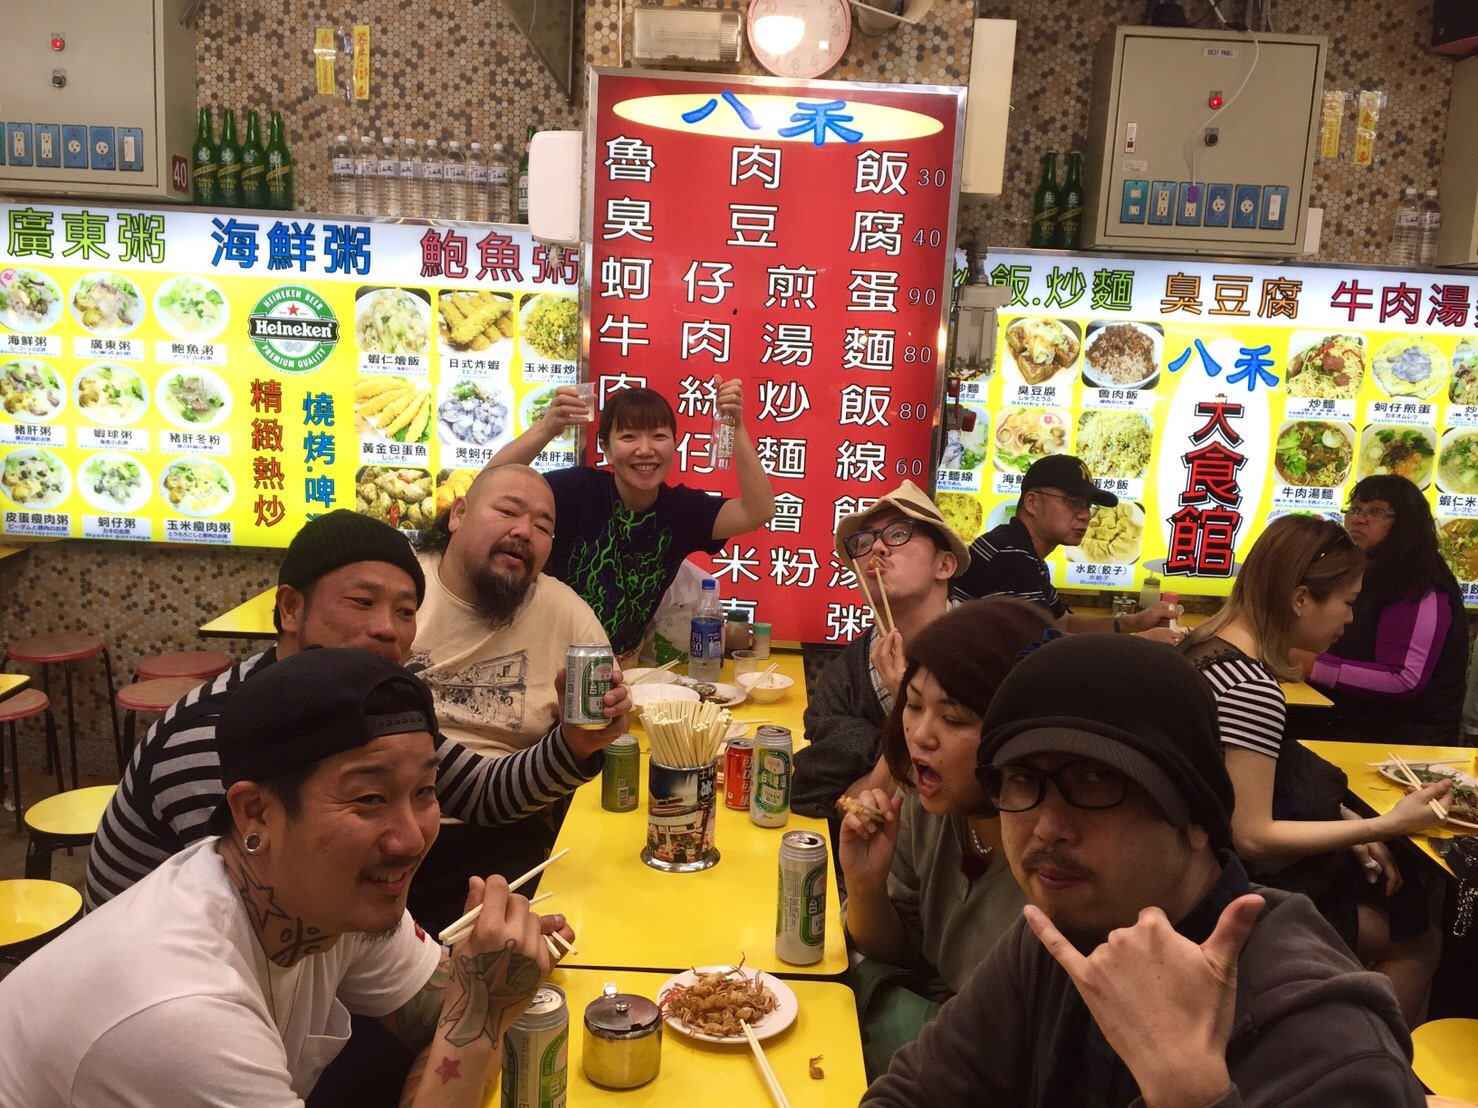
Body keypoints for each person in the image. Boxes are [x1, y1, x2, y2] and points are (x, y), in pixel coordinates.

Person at [864, 634, 1427, 1106]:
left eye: (1098, 780)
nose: (1047, 827)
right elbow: (911, 1095)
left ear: (1198, 818)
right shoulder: (1061, 937)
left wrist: (1193, 1099)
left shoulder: (1325, 1040)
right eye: (1022, 779)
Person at [0, 648, 571, 1107]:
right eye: (369, 798)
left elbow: (440, 1015)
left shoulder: (328, 897)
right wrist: (482, 1013)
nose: (411, 838)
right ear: (255, 814)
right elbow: (464, 1018)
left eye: (424, 791)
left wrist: (481, 993)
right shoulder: (182, 1015)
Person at [85, 508, 628, 913]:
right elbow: (248, 921)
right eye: (362, 603)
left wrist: (574, 744)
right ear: (291, 608)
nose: (387, 628)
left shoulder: (369, 709)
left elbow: (483, 794)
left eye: (406, 611)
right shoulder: (215, 735)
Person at [1180, 514, 1451, 1024]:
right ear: (1301, 598)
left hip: (1193, 872)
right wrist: (1389, 825)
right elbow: (1252, 836)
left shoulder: (1204, 644)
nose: (1350, 619)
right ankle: (1358, 1064)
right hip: (1229, 895)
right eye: (1347, 602)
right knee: (1418, 943)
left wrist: (1344, 820)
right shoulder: (1250, 688)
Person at [837, 598, 1052, 1077]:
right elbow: (900, 949)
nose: (920, 736)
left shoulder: (1054, 858)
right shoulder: (926, 800)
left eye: (953, 719)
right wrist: (866, 885)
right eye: (912, 706)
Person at [408, 463, 625, 929]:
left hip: (508, 833)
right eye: (508, 511)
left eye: (543, 527)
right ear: (458, 514)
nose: (524, 532)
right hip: (390, 826)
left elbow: (593, 729)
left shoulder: (567, 613)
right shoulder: (401, 590)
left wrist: (586, 738)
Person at [484, 382, 775, 659]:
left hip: (624, 672)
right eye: (628, 437)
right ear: (606, 448)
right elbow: (489, 486)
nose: (645, 449)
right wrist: (547, 427)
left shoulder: (681, 510)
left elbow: (758, 511)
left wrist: (735, 427)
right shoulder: (577, 489)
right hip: (549, 660)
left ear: (675, 444)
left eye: (658, 436)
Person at [792, 480, 970, 819]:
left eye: (898, 533)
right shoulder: (847, 675)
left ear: (944, 565)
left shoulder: (987, 653)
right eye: (863, 542)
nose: (876, 549)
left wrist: (908, 701)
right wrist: (907, 709)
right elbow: (843, 804)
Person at [1290, 475, 1468, 744]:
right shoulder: (1368, 568)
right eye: (1355, 509)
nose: (1359, 519)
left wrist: (1313, 665)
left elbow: (1402, 678)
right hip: (1351, 720)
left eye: (1376, 511)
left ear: (1406, 523)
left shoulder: (1419, 583)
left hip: (1402, 742)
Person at [950, 453, 1176, 637]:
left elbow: (1064, 623)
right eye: (1073, 502)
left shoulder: (1025, 552)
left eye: (1088, 505)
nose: (1086, 515)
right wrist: (1140, 642)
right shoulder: (1009, 554)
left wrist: (1132, 622)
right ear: (1032, 502)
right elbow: (1043, 647)